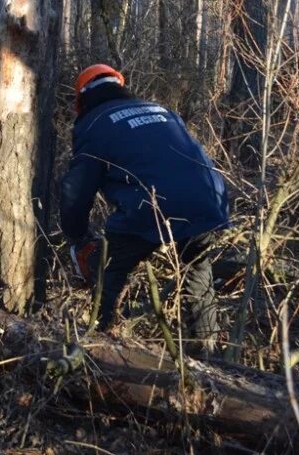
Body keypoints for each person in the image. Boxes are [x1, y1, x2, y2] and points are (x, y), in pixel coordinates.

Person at [59, 64, 229, 353]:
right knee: (198, 272)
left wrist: (76, 236)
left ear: (81, 100)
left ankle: (103, 351)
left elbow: (76, 189)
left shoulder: (93, 123)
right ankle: (208, 361)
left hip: (150, 207)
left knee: (111, 273)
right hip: (210, 199)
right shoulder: (162, 111)